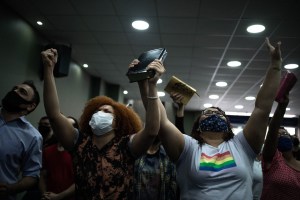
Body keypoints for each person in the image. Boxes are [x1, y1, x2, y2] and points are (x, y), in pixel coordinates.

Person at [132, 37, 282, 200]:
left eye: (219, 114)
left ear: (228, 124)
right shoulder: (189, 148)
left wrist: (275, 66)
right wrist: (149, 84)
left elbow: (262, 108)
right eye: (208, 113)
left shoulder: (243, 146)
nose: (214, 114)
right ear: (198, 126)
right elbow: (161, 122)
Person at [41, 48, 161, 199]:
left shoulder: (126, 147)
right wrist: (48, 69)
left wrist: (152, 86)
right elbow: (53, 115)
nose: (99, 113)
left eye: (106, 111)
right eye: (96, 111)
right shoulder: (79, 142)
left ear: (117, 123)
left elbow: (151, 130)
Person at [0, 80, 42, 200]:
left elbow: (32, 175)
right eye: (15, 88)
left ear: (30, 105)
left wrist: (11, 189)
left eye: (22, 92)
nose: (14, 91)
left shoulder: (33, 136)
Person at [260, 95, 300, 200]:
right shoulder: (272, 161)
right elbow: (273, 128)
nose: (281, 136)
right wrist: (281, 107)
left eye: (284, 133)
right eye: (278, 135)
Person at [39, 117, 78, 200]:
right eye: (63, 125)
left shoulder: (81, 151)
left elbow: (82, 180)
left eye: (70, 126)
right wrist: (45, 195)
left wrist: (59, 197)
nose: (65, 129)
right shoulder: (47, 150)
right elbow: (43, 176)